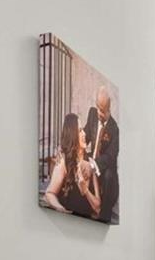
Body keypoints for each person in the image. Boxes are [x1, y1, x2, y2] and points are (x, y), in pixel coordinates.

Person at [43, 113, 100, 218]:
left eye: (83, 130)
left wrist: (85, 190)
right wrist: (61, 209)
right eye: (79, 131)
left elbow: (97, 208)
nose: (84, 134)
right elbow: (49, 194)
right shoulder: (64, 162)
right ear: (72, 135)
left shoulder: (90, 163)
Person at [84, 86, 120, 224]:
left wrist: (92, 165)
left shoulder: (114, 129)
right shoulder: (92, 114)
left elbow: (110, 157)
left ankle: (104, 216)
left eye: (103, 110)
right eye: (98, 107)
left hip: (104, 169)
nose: (99, 112)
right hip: (92, 160)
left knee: (109, 174)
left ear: (109, 108)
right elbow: (86, 135)